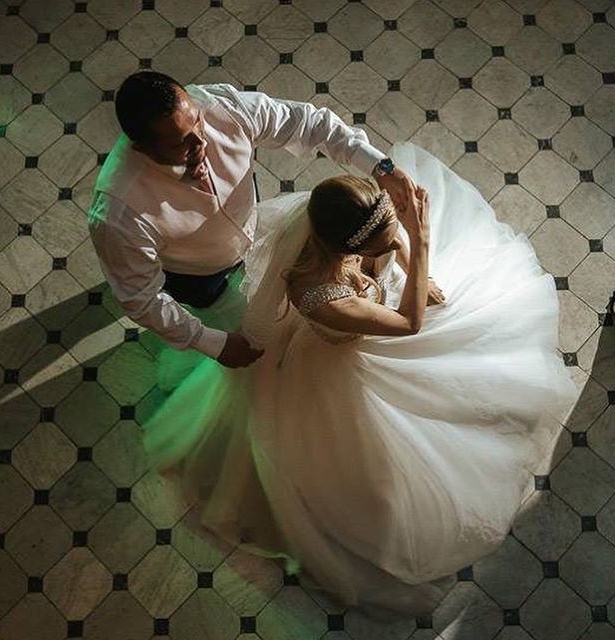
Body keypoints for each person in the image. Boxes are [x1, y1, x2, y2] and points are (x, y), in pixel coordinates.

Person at [141, 141, 575, 617]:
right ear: (347, 250)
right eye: (381, 246)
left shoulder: (334, 216)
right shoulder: (323, 298)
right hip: (340, 361)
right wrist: (421, 241)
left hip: (366, 306)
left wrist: (409, 262)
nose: (394, 244)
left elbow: (391, 242)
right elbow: (407, 324)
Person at [86, 71, 428, 385]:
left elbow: (310, 123)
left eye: (199, 125)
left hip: (255, 226)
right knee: (220, 310)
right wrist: (214, 344)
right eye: (181, 144)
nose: (202, 145)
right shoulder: (120, 214)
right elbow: (141, 298)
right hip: (199, 275)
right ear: (142, 149)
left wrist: (380, 166)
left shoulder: (224, 108)